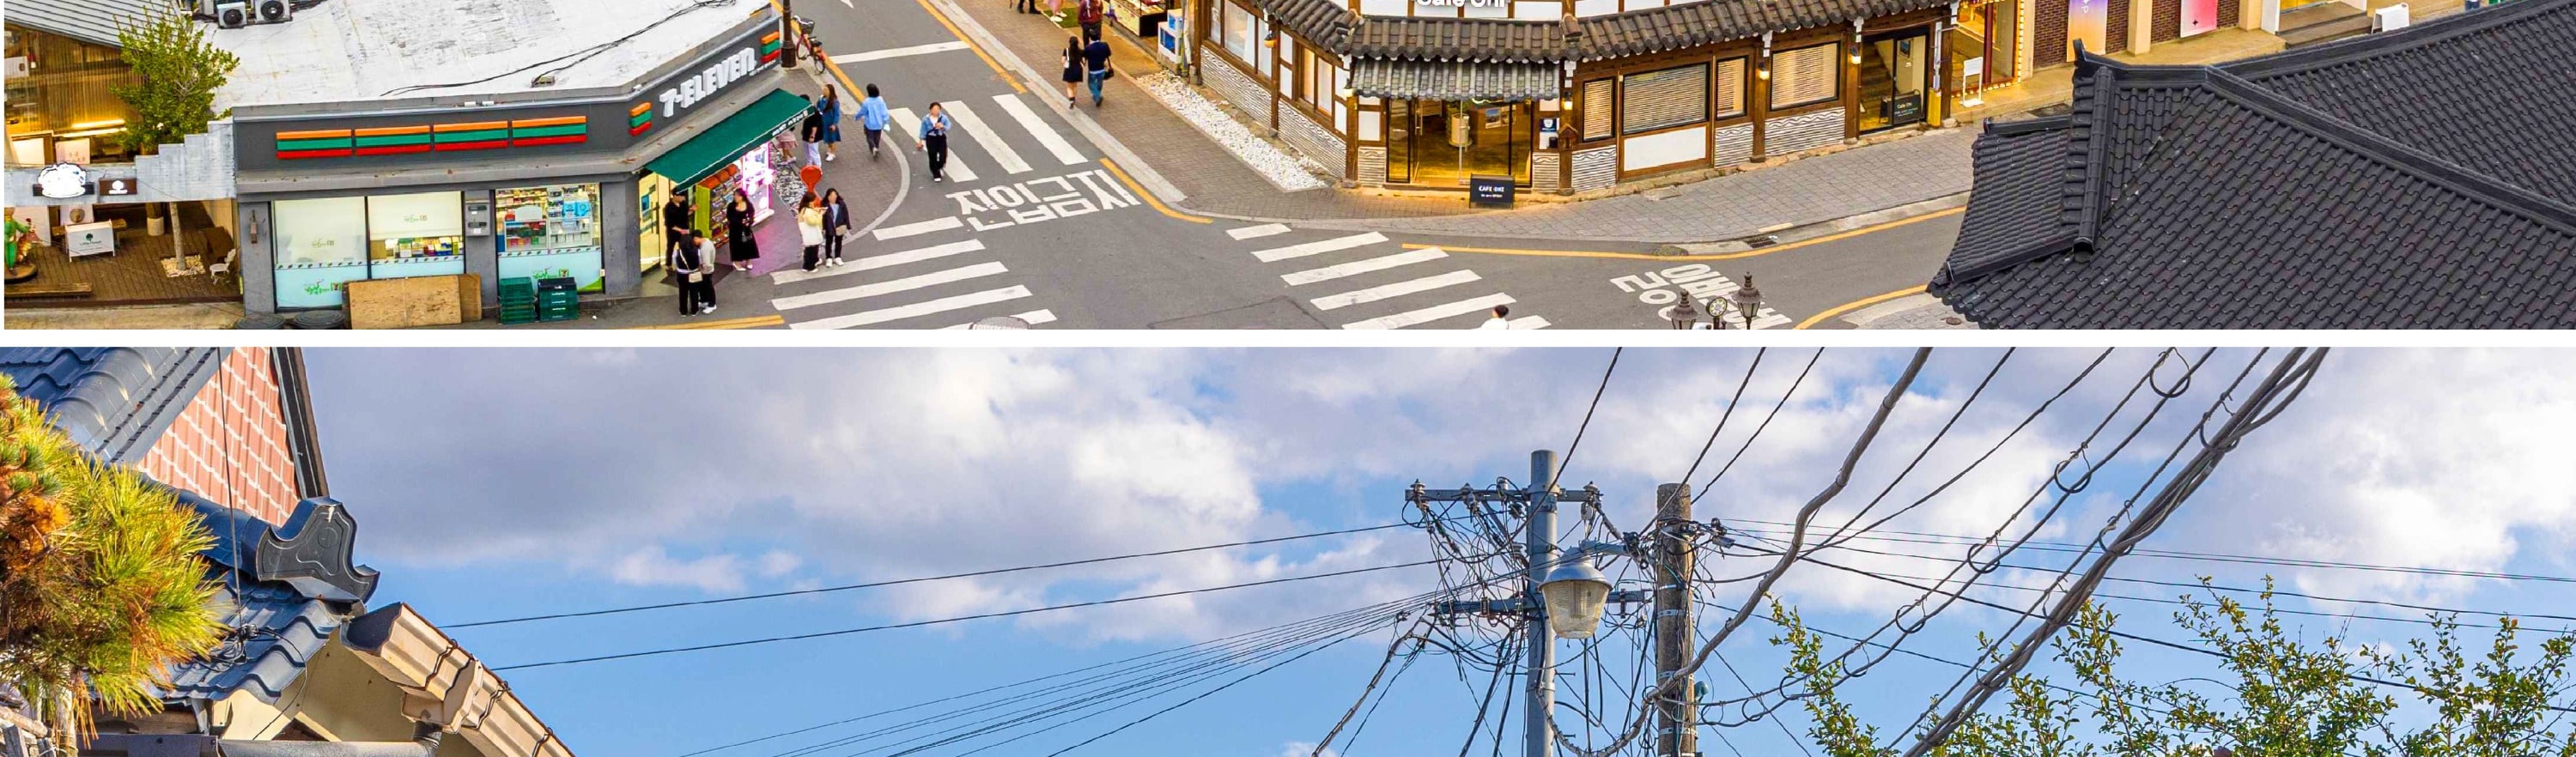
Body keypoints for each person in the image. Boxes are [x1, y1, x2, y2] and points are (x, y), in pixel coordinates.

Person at [670, 229, 714, 316]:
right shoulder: (697, 251)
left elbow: (674, 263)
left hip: (681, 275)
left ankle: (683, 311)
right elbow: (701, 263)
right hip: (693, 274)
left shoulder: (677, 252)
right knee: (694, 292)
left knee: (683, 293)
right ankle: (694, 310)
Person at [918, 102, 953, 183]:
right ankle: (936, 174)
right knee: (932, 155)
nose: (936, 111)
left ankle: (939, 166)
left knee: (943, 156)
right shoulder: (926, 119)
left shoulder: (943, 118)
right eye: (934, 109)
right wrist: (921, 141)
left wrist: (942, 127)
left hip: (941, 138)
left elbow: (948, 126)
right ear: (930, 110)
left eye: (938, 109)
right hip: (931, 139)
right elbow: (923, 130)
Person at [724, 189, 757, 271]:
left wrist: (749, 221)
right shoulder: (731, 206)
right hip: (735, 230)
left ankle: (748, 260)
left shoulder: (748, 204)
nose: (735, 197)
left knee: (748, 244)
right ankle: (736, 262)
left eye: (737, 195)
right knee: (736, 246)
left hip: (746, 229)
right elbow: (730, 218)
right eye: (734, 195)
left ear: (742, 197)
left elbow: (751, 214)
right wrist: (739, 221)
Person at [858, 84, 891, 159]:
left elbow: (862, 111)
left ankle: (873, 148)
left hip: (869, 124)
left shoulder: (867, 102)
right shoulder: (880, 100)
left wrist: (857, 117)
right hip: (879, 123)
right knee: (877, 137)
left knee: (869, 137)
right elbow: (884, 111)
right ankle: (876, 147)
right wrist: (886, 121)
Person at [796, 191, 826, 272]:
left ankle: (812, 262)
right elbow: (812, 222)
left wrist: (817, 210)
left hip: (807, 232)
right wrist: (821, 214)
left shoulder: (803, 208)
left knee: (810, 248)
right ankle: (810, 266)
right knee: (812, 249)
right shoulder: (807, 212)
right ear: (809, 201)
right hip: (811, 232)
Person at [822, 188, 853, 267]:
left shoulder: (841, 204)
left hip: (839, 225)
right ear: (828, 196)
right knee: (829, 242)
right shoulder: (824, 204)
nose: (833, 197)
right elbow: (823, 217)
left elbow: (846, 215)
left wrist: (847, 225)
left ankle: (837, 256)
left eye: (834, 195)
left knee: (839, 241)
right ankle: (829, 257)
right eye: (831, 195)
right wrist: (823, 228)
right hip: (829, 226)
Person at [661, 191, 692, 264]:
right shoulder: (668, 208)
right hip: (673, 232)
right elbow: (669, 224)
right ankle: (668, 265)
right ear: (675, 196)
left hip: (684, 229)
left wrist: (692, 210)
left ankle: (685, 262)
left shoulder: (683, 203)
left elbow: (686, 214)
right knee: (670, 248)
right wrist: (680, 230)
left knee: (684, 246)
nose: (683, 198)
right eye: (681, 196)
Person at [1084, 33, 1113, 107]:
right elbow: (1109, 53)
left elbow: (1085, 56)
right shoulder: (1104, 45)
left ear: (1090, 38)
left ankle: (1097, 95)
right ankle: (1097, 94)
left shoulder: (1088, 47)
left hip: (1093, 69)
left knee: (1091, 84)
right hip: (1101, 68)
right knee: (1100, 82)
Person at [817, 85, 844, 161]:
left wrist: (834, 124)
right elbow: (818, 107)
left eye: (825, 89)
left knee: (832, 138)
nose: (823, 90)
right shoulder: (821, 98)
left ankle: (833, 153)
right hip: (823, 121)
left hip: (830, 123)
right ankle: (829, 148)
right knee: (827, 137)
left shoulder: (834, 102)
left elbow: (837, 114)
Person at [799, 96, 826, 167]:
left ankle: (818, 168)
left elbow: (815, 126)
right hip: (806, 133)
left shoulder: (813, 111)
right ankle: (809, 165)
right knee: (807, 151)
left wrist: (812, 136)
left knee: (813, 152)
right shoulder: (808, 109)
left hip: (813, 135)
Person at [1060, 36, 1085, 108]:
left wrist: (1065, 62)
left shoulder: (1066, 50)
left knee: (1069, 86)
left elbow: (1062, 61)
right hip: (1078, 70)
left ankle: (1071, 99)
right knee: (1075, 85)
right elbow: (1083, 61)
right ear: (1078, 43)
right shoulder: (1081, 51)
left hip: (1069, 69)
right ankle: (1074, 97)